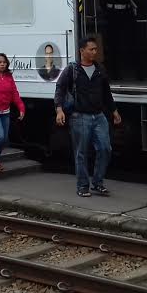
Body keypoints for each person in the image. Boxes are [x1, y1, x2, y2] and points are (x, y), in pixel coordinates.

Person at [54, 37, 121, 197]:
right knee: (81, 152)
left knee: (105, 148)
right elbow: (60, 88)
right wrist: (59, 109)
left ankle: (97, 183)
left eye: (95, 49)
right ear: (82, 51)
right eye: (91, 49)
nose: (94, 52)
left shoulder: (100, 69)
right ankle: (82, 186)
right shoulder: (72, 70)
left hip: (99, 116)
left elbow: (106, 92)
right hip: (79, 116)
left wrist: (114, 111)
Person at [99, 0, 137, 80]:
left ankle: (135, 73)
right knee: (112, 44)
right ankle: (114, 74)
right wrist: (104, 10)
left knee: (130, 43)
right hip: (112, 13)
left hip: (126, 12)